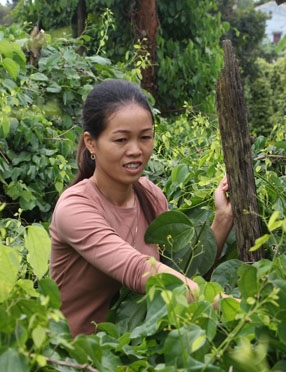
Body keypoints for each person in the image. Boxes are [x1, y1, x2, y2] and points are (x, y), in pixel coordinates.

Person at [49, 79, 233, 337]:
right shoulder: (75, 208)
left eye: (145, 137)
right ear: (91, 143)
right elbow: (139, 270)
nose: (135, 150)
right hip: (73, 359)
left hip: (135, 351)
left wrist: (222, 219)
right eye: (121, 140)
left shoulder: (150, 196)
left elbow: (181, 275)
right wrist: (232, 307)